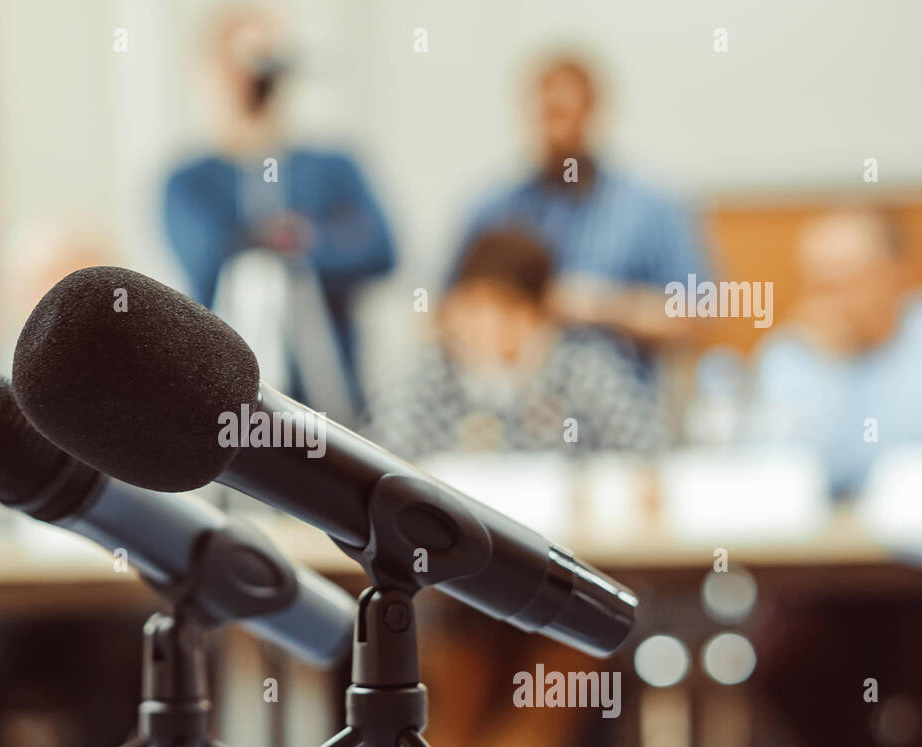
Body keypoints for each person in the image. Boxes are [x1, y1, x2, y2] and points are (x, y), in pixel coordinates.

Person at [163, 5, 394, 421]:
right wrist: (285, 237)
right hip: (228, 408)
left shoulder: (334, 167)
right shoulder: (188, 182)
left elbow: (380, 248)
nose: (255, 80)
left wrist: (304, 242)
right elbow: (207, 258)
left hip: (332, 397)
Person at [450, 55, 710, 350]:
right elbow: (441, 312)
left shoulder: (650, 209)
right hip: (514, 390)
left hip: (617, 388)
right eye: (545, 114)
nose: (555, 132)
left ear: (592, 112)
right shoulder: (494, 210)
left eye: (563, 114)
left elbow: (696, 315)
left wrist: (601, 307)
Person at [366, 229, 671, 461]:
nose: (486, 326)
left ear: (541, 314)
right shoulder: (422, 378)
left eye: (506, 310)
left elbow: (647, 458)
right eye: (474, 307)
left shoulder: (586, 374)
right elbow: (385, 464)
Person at [750, 209, 922, 497]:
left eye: (847, 282)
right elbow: (781, 473)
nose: (832, 302)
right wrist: (830, 371)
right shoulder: (789, 354)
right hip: (826, 540)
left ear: (894, 276)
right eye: (819, 286)